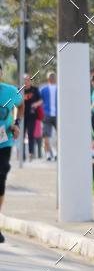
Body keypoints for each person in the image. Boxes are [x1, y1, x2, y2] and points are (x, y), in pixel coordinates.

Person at [0, 63, 24, 244]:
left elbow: (21, 105)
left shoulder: (9, 91)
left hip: (4, 142)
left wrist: (16, 123)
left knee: (0, 180)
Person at [22, 74, 42, 161]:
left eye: (28, 80)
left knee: (31, 134)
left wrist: (36, 104)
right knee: (21, 135)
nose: (26, 81)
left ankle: (31, 153)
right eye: (25, 80)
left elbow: (41, 100)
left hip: (32, 115)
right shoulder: (20, 90)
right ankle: (22, 155)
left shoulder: (35, 90)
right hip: (22, 116)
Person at [40, 71, 58, 161]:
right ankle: (56, 153)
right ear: (55, 78)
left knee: (46, 135)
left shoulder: (43, 89)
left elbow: (40, 102)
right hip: (57, 115)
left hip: (46, 114)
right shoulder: (59, 89)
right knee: (60, 135)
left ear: (48, 79)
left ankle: (48, 154)